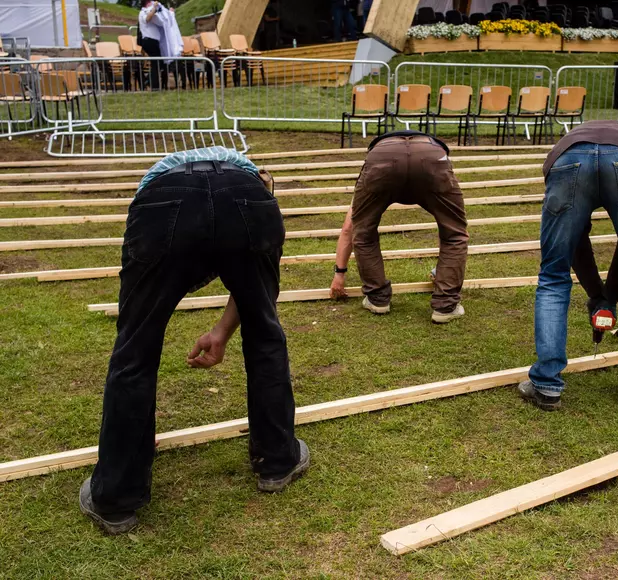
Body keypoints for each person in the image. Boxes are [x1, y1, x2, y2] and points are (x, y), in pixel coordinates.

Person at [79, 147, 309, 535]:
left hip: (164, 205)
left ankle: (116, 498)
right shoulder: (255, 183)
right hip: (246, 202)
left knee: (135, 349)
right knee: (265, 333)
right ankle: (277, 461)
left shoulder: (158, 180)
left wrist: (219, 332)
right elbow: (258, 298)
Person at [517, 121, 618, 411]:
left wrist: (604, 297)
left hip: (569, 159)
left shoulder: (572, 143)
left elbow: (571, 245)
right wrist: (599, 295)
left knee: (553, 274)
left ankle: (546, 384)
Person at [347, 130, 468, 323]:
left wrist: (339, 271)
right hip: (430, 154)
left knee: (364, 232)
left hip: (382, 155)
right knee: (454, 234)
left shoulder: (381, 147)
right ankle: (446, 306)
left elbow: (353, 228)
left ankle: (377, 299)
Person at [138, 0, 167, 90]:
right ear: (147, 3)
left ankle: (151, 81)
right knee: (157, 63)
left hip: (153, 41)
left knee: (158, 63)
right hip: (149, 41)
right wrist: (154, 8)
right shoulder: (143, 12)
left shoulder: (150, 12)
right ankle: (152, 84)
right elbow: (147, 18)